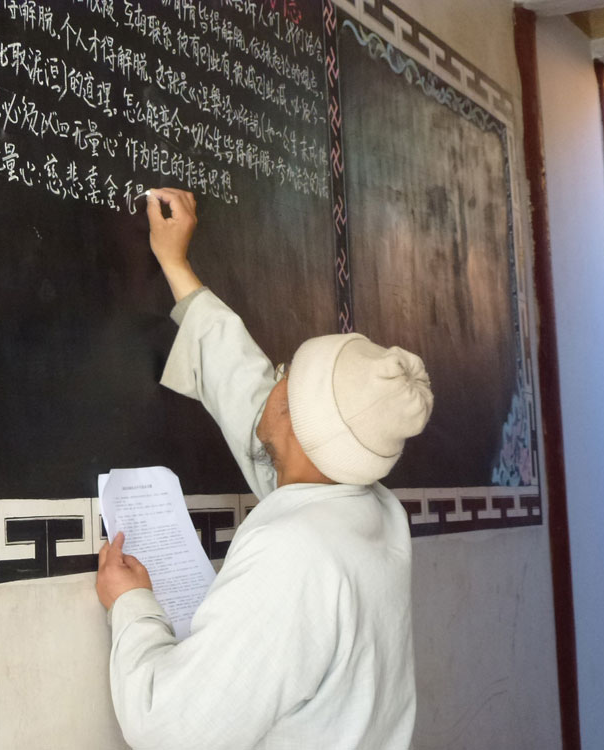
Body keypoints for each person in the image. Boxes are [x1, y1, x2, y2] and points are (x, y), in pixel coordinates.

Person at [96, 188, 434, 750]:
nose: (273, 375)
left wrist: (130, 606)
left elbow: (172, 727)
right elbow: (251, 392)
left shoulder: (296, 554)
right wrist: (177, 266)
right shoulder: (368, 510)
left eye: (287, 375)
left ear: (299, 425)